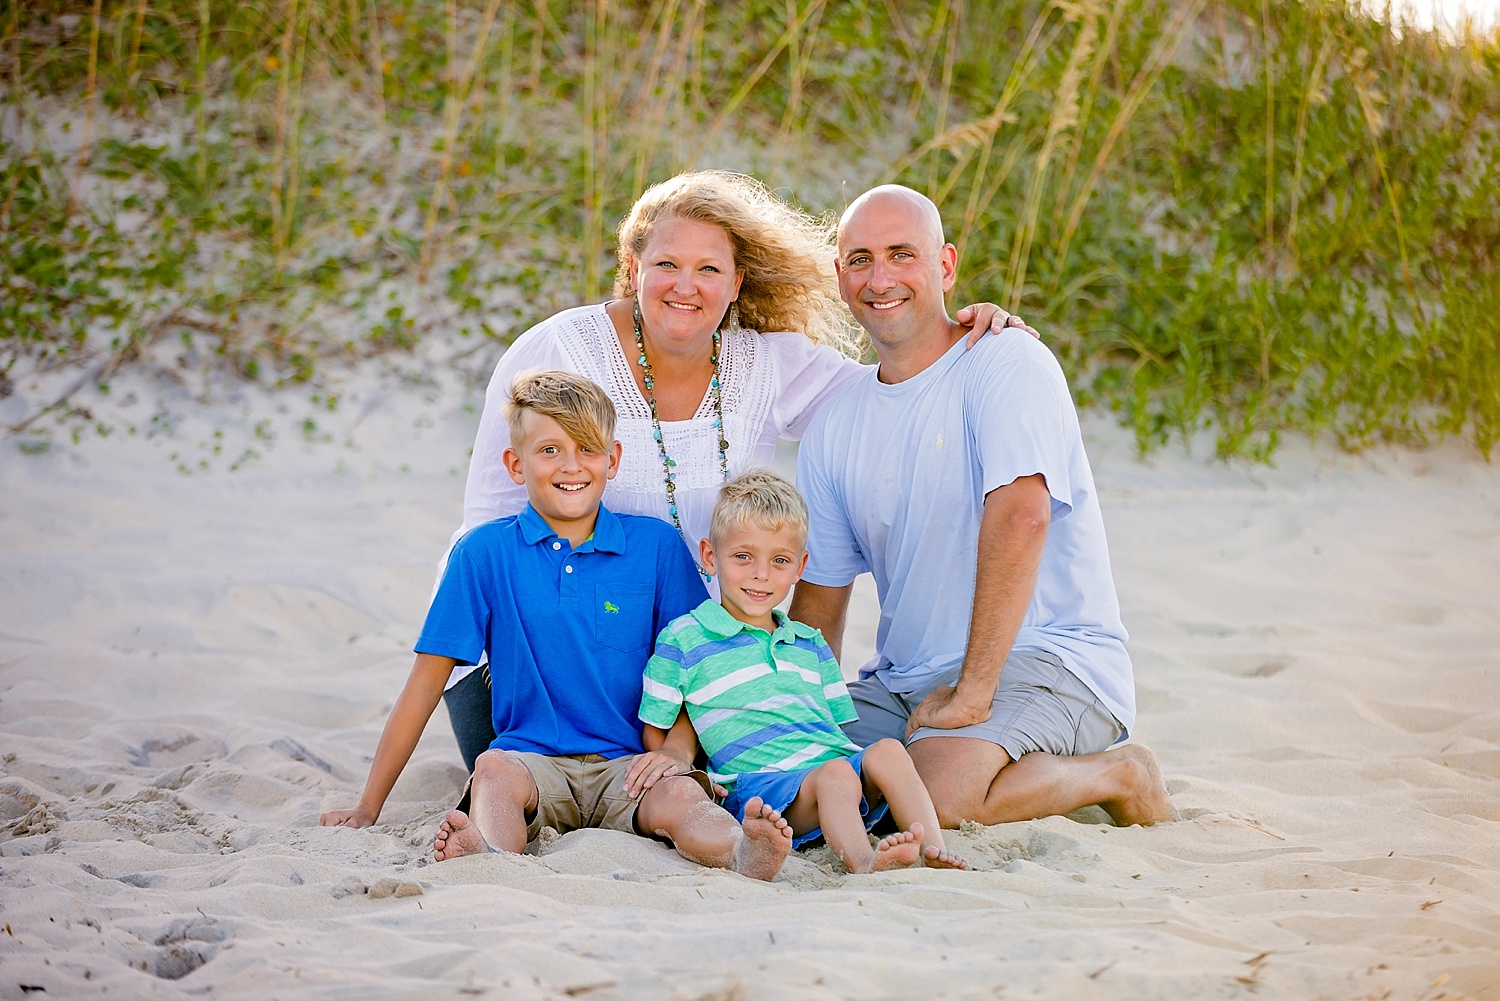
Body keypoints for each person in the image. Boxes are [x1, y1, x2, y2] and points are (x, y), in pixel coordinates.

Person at [440, 170, 1034, 771]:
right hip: (539, 656)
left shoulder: (765, 365)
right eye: (667, 264)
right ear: (634, 266)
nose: (685, 287)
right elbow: (492, 530)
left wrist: (964, 333)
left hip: (699, 667)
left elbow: (894, 390)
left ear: (736, 283)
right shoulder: (560, 351)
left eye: (709, 270)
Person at [789, 185, 1177, 830]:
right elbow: (821, 597)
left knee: (935, 804)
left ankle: (1120, 773)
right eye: (860, 259)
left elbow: (1023, 517)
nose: (880, 277)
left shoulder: (1004, 360)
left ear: (944, 266)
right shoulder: (836, 423)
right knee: (803, 797)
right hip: (903, 679)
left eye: (900, 254)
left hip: (1049, 660)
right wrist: (799, 718)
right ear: (840, 276)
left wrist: (974, 690)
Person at [320, 372, 793, 880]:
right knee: (492, 772)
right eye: (549, 449)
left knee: (681, 796)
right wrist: (369, 806)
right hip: (532, 761)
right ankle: (492, 859)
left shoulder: (655, 547)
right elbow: (425, 683)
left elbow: (699, 667)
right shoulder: (484, 554)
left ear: (611, 460)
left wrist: (677, 750)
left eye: (587, 448)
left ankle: (742, 852)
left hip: (630, 763)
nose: (571, 466)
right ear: (514, 464)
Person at [639, 470, 969, 873]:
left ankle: (932, 851)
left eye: (780, 561)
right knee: (833, 774)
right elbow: (657, 726)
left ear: (800, 567)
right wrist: (688, 774)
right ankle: (864, 863)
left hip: (832, 779)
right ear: (710, 557)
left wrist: (854, 773)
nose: (761, 574)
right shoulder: (685, 638)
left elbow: (836, 732)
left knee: (887, 751)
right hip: (762, 790)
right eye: (743, 557)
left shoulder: (810, 643)